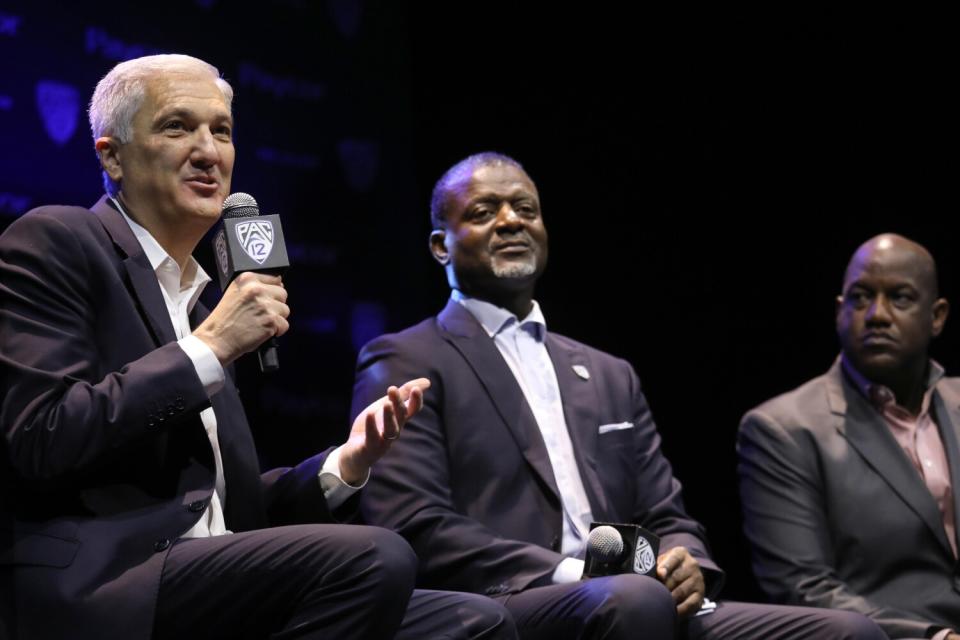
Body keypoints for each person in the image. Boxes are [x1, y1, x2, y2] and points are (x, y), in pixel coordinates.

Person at [0, 55, 516, 640]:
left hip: (212, 580)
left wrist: (342, 466)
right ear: (111, 155)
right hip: (110, 583)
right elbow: (39, 436)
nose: (208, 151)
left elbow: (225, 508)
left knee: (477, 622)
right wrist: (211, 346)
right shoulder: (59, 241)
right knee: (375, 558)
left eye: (221, 130)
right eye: (177, 127)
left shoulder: (201, 303)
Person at [351, 152, 886, 640]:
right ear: (440, 244)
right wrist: (574, 571)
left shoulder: (608, 373)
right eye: (485, 210)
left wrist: (685, 561)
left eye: (525, 209)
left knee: (850, 632)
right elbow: (414, 522)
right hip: (506, 603)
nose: (511, 221)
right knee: (630, 601)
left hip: (636, 597)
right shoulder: (407, 359)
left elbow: (665, 512)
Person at [738, 233, 960, 639]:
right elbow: (802, 589)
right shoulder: (783, 430)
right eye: (860, 298)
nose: (876, 314)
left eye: (900, 298)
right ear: (840, 311)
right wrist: (934, 636)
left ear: (938, 316)